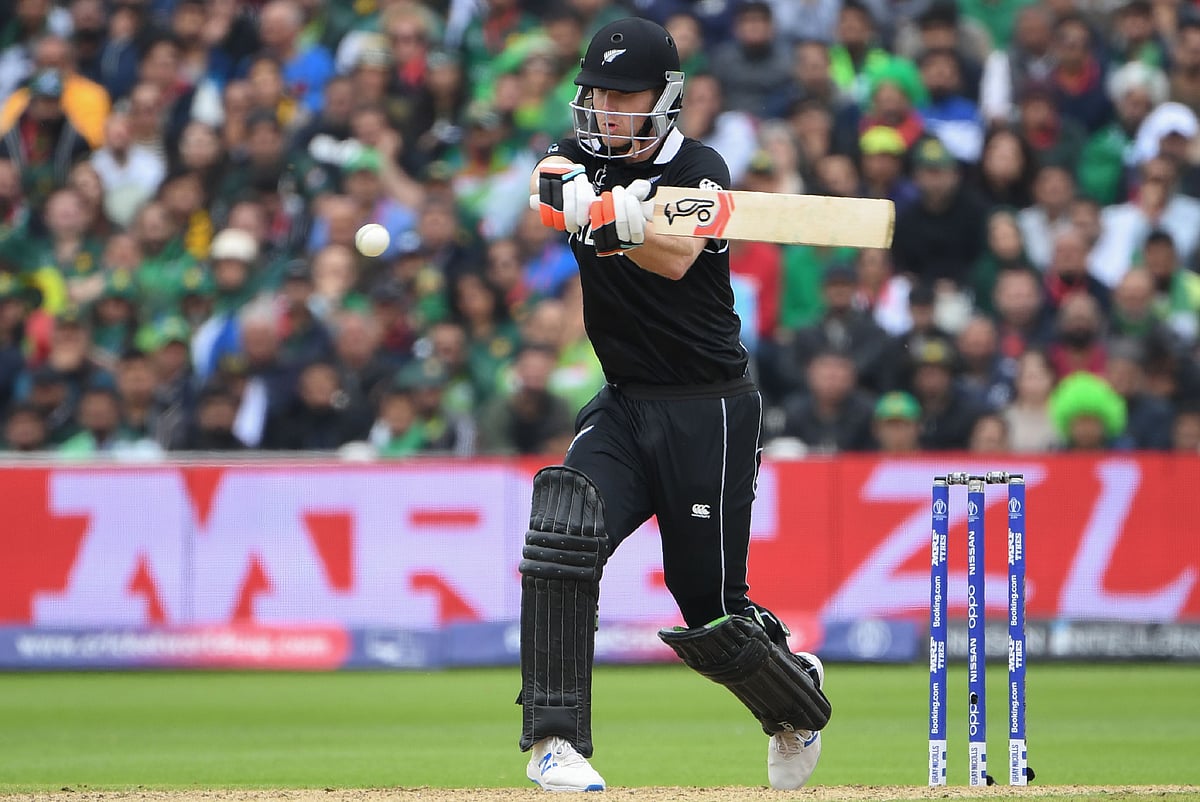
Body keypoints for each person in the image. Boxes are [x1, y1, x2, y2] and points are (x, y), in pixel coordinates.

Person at [517, 16, 831, 793]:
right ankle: (553, 740)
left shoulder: (701, 166)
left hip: (710, 408)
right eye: (597, 94)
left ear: (663, 100)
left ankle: (792, 699)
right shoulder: (579, 158)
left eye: (624, 97)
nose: (606, 111)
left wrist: (620, 224)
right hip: (626, 401)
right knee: (564, 534)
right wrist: (587, 202)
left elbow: (675, 254)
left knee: (711, 607)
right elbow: (545, 186)